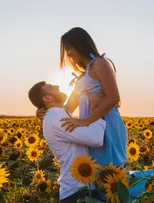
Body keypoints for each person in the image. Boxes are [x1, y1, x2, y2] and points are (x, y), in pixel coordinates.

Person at [37, 27, 127, 169]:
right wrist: (44, 110)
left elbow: (113, 97)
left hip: (107, 124)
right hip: (92, 129)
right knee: (99, 176)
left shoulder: (100, 63)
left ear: (80, 45)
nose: (69, 55)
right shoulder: (82, 76)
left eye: (69, 49)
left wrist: (85, 121)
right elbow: (67, 108)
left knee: (112, 173)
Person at [28, 82, 105, 203]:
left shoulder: (58, 113)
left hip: (79, 189)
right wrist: (97, 110)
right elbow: (96, 139)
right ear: (47, 98)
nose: (57, 85)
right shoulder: (56, 116)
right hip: (78, 193)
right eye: (51, 86)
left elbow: (76, 94)